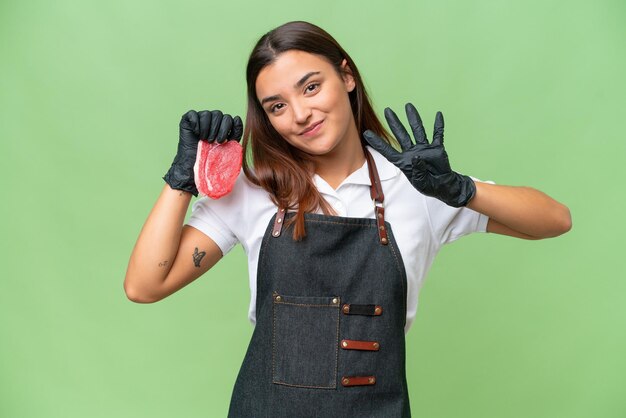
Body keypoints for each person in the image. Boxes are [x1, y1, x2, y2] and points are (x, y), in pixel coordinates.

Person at [124, 20, 571, 417]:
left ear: (347, 76)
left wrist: (461, 190)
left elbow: (555, 220)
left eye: (311, 87)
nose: (300, 115)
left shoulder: (418, 186)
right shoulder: (256, 191)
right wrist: (181, 180)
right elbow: (144, 285)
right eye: (277, 106)